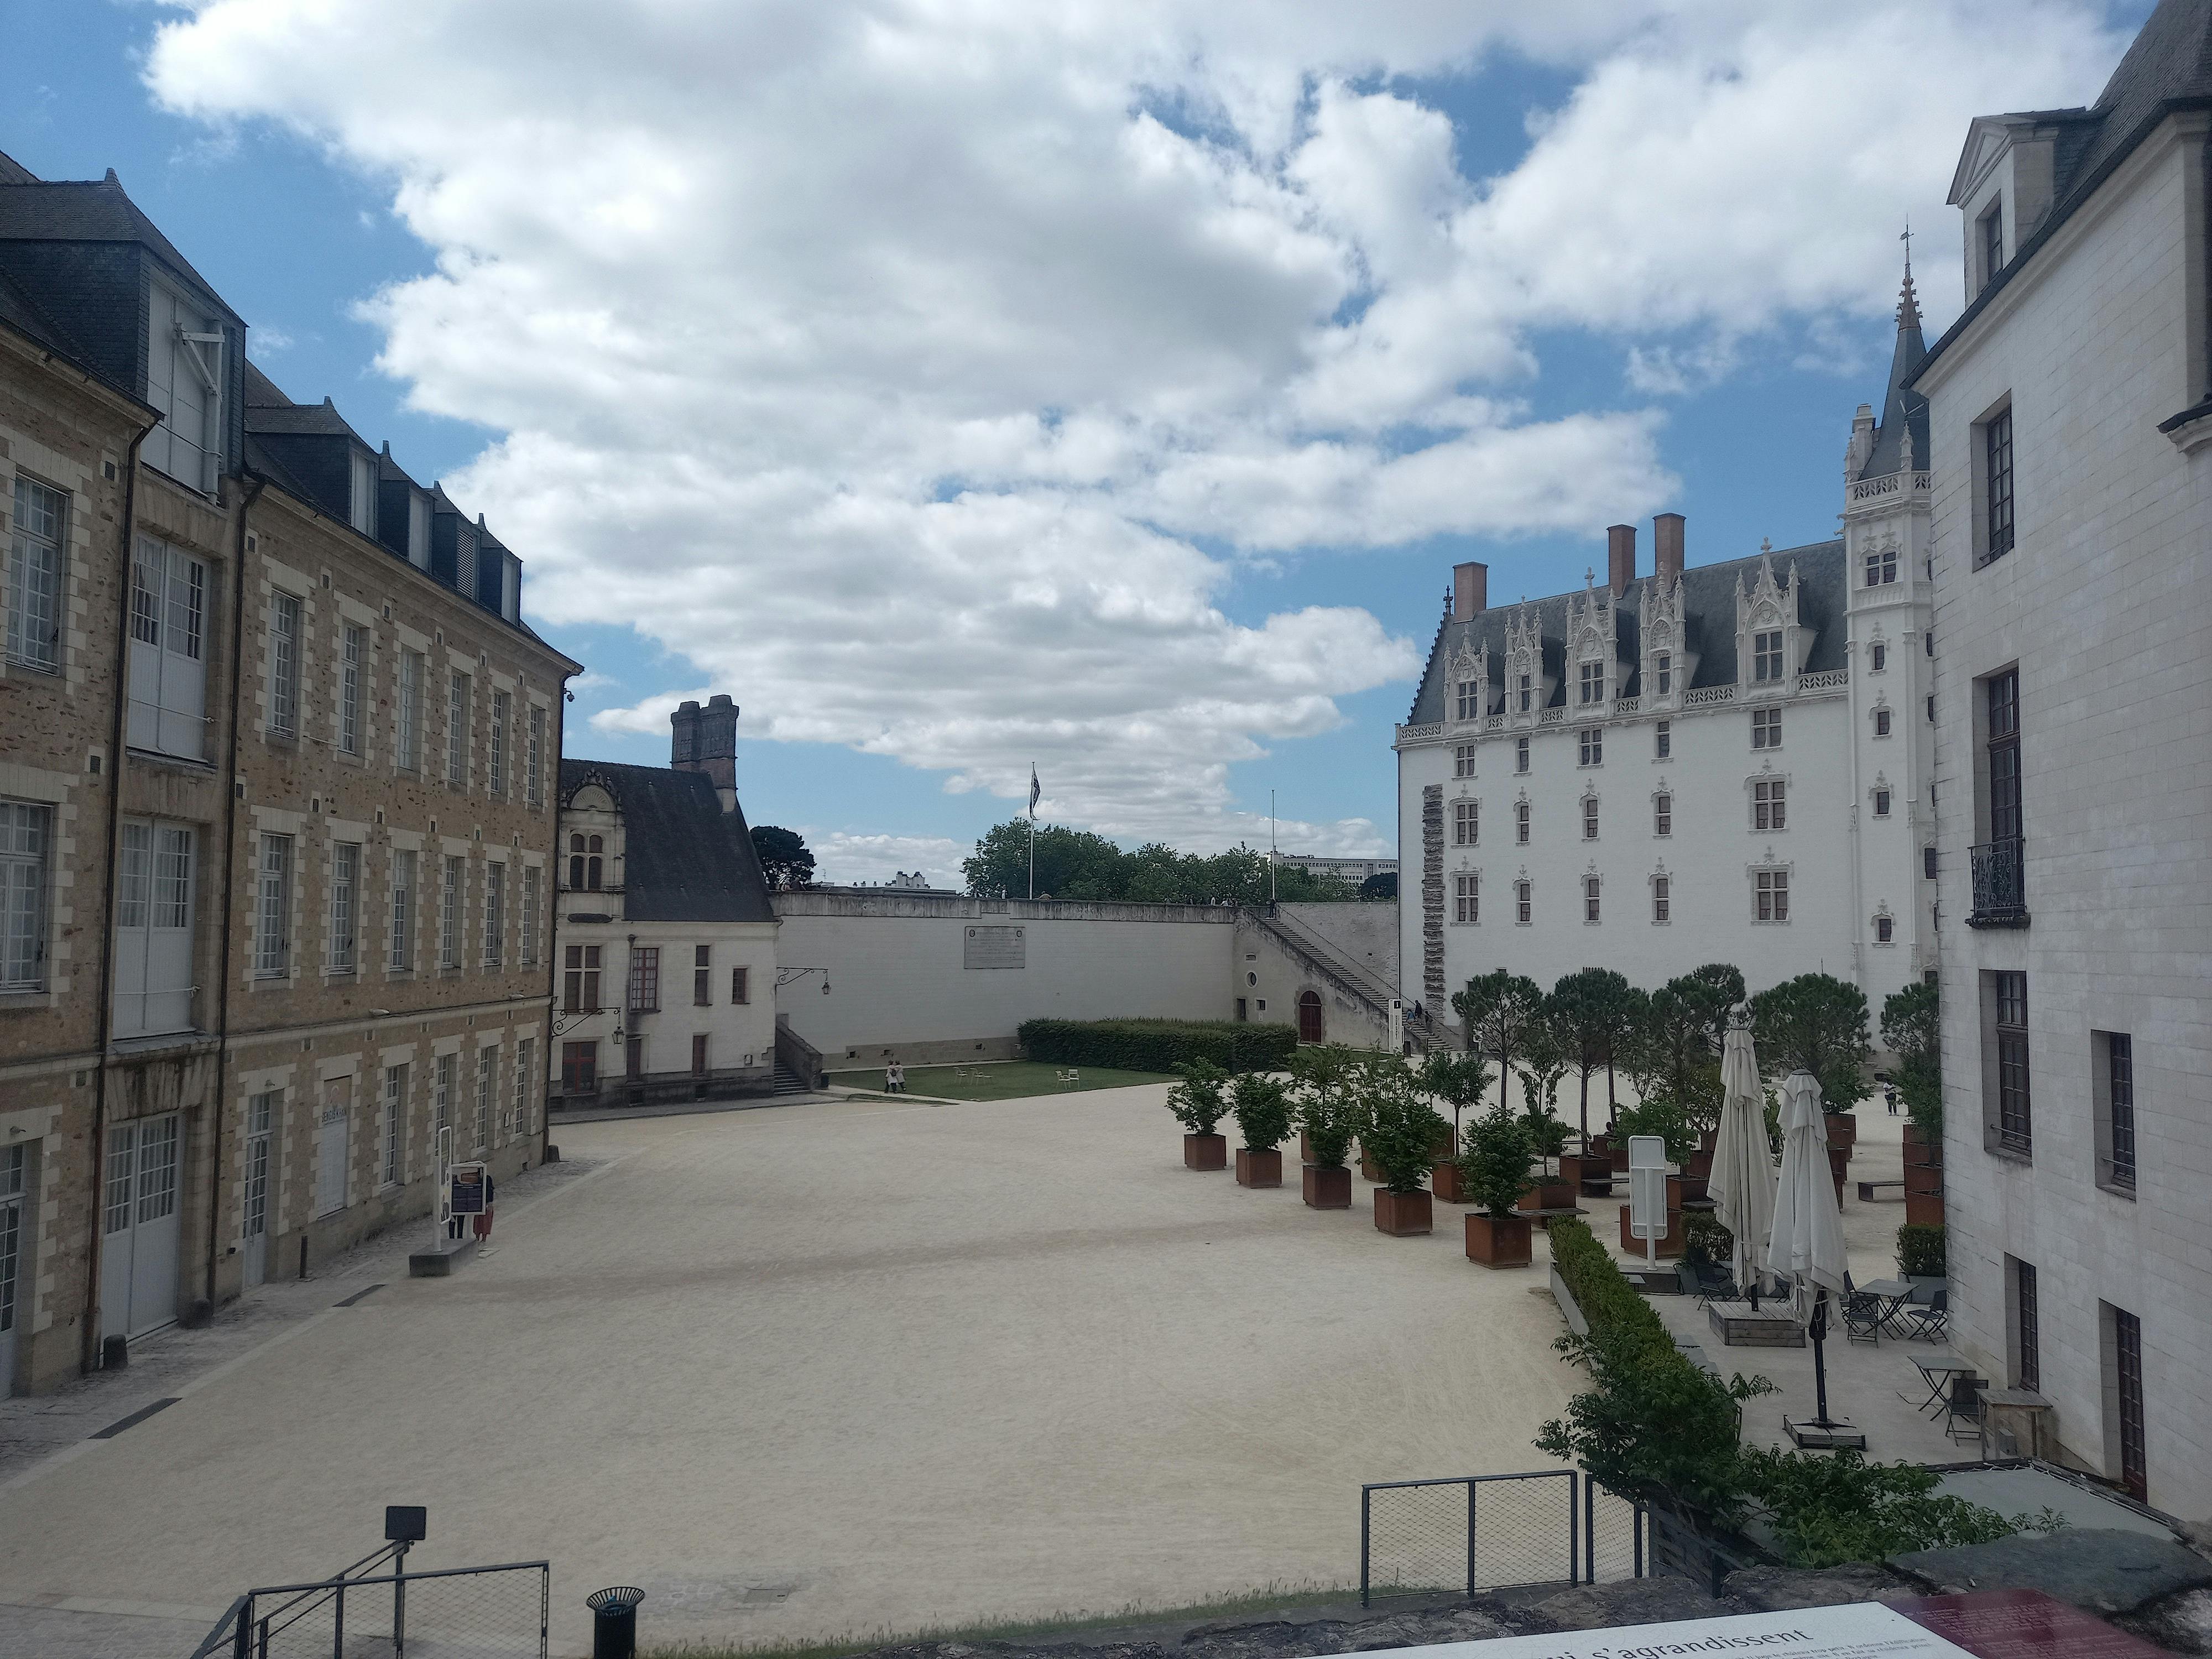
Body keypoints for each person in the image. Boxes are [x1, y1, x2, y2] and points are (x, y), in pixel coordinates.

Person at [472, 1171, 497, 1244]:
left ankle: (483, 1238)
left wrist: (488, 1203)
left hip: (486, 1203)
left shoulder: (487, 1179)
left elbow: (490, 1191)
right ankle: (478, 1238)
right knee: (479, 1221)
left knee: (485, 1221)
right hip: (480, 1203)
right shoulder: (477, 1179)